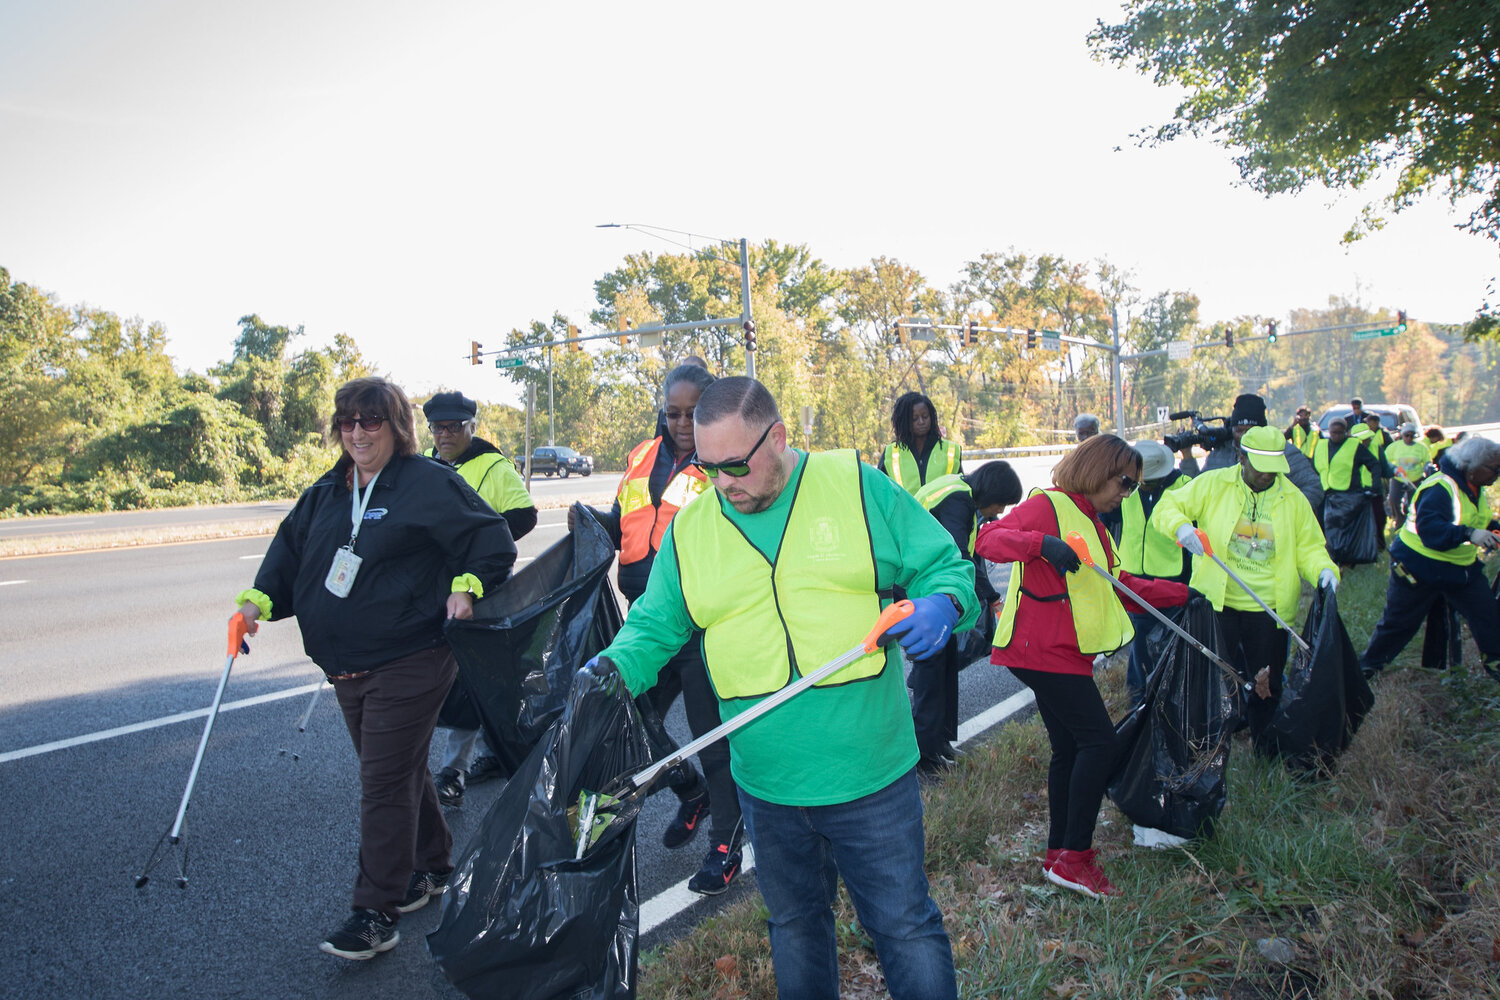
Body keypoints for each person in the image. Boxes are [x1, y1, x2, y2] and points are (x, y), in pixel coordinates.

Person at [580, 376, 976, 1000]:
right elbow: (656, 624)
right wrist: (608, 672)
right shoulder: (694, 527)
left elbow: (944, 565)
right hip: (767, 786)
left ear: (780, 436)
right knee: (794, 927)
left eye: (737, 464)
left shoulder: (855, 487)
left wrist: (945, 605)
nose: (724, 484)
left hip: (869, 775)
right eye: (709, 469)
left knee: (903, 928)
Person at [234, 377, 517, 960]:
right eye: (347, 422)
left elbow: (492, 541)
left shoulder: (429, 483)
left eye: (371, 421)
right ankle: (433, 866)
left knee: (381, 781)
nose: (357, 433)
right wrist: (254, 604)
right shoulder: (328, 491)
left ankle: (374, 913)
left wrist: (467, 588)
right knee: (398, 771)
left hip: (412, 655)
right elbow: (288, 552)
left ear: (397, 427)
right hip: (347, 666)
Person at [975, 435, 1190, 899]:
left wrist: (1184, 594)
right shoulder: (1049, 506)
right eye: (1123, 483)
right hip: (1041, 650)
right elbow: (988, 539)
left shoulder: (1095, 522)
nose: (1126, 494)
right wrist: (1042, 545)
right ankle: (1076, 857)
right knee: (1099, 742)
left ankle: (1059, 856)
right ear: (1097, 469)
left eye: (1133, 487)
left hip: (1064, 653)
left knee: (1071, 749)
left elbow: (1121, 584)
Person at [570, 364, 743, 894]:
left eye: (694, 413)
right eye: (674, 413)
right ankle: (689, 788)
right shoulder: (643, 457)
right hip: (648, 620)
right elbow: (628, 518)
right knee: (631, 721)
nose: (683, 422)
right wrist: (593, 523)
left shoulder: (725, 464)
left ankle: (725, 842)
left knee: (712, 737)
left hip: (700, 626)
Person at [1156, 426, 1338, 740]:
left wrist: (1323, 569)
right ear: (1242, 458)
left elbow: (1309, 548)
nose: (1268, 476)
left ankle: (1264, 738)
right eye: (1260, 469)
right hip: (1217, 602)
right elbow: (1166, 507)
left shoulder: (1292, 499)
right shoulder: (1215, 484)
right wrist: (1181, 527)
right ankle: (1211, 739)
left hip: (1268, 609)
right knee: (1212, 677)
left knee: (1267, 681)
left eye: (1273, 470)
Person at [421, 391, 537, 806]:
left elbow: (524, 516)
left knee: (471, 677)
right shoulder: (425, 465)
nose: (446, 434)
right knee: (440, 674)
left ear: (472, 426)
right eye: (438, 427)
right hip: (435, 587)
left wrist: (478, 540)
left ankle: (454, 771)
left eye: (455, 426)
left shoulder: (493, 465)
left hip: (484, 587)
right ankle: (496, 752)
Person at [911, 460, 1023, 773]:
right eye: (1000, 504)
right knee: (931, 679)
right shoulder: (958, 500)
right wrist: (988, 595)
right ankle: (924, 759)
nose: (998, 512)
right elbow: (958, 557)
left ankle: (940, 742)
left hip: (933, 591)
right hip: (928, 593)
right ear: (991, 492)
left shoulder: (957, 489)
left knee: (945, 671)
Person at [1360, 435, 1500, 680]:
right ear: (1470, 467)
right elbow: (1431, 530)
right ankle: (1366, 671)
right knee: (1400, 624)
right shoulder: (1440, 487)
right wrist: (1469, 534)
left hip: (1459, 570)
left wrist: (1492, 530)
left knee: (1487, 616)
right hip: (1418, 569)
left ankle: (1496, 665)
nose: (1497, 475)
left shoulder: (1474, 487)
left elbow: (1477, 518)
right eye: (1494, 469)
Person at [1113, 440, 1193, 705]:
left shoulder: (1185, 488)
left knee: (1169, 640)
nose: (1140, 485)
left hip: (1172, 577)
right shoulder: (1127, 486)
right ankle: (1138, 695)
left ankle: (1169, 693)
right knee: (1138, 640)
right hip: (1134, 576)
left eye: (1145, 480)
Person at [1187, 394, 1324, 514]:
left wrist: (1283, 515)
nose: (1245, 436)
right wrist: (1187, 456)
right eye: (1239, 430)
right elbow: (1197, 491)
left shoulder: (1283, 451)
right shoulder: (1220, 453)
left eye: (1251, 430)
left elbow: (1313, 488)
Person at [1312, 417, 1384, 564]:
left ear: (1346, 432)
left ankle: (1346, 559)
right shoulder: (1321, 445)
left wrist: (1375, 486)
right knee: (1323, 527)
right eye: (1333, 432)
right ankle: (1328, 558)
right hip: (1326, 494)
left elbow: (1374, 464)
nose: (1336, 436)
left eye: (1340, 433)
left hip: (1348, 494)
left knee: (1344, 529)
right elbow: (1314, 468)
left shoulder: (1354, 446)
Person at [878, 391, 961, 495]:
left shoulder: (951, 450)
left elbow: (962, 491)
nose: (921, 422)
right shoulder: (890, 454)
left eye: (925, 416)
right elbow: (881, 493)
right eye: (914, 418)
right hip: (906, 511)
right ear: (904, 421)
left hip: (943, 511)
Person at [1385, 422, 1431, 523]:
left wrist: (1428, 468)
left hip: (1415, 479)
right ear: (1402, 435)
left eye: (1412, 435)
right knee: (1393, 500)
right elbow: (1385, 460)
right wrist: (1394, 469)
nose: (1409, 438)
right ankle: (1399, 519)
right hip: (1398, 478)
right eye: (1407, 435)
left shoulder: (1421, 447)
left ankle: (1413, 521)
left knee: (1415, 502)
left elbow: (1427, 461)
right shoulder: (1394, 447)